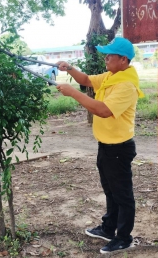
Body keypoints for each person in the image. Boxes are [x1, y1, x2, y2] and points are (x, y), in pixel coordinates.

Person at [56, 37, 144, 254]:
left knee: (122, 194)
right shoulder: (111, 76)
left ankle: (124, 238)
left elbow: (103, 110)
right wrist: (70, 69)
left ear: (123, 60)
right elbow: (86, 79)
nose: (106, 58)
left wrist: (73, 93)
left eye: (110, 55)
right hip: (106, 145)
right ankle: (108, 228)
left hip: (118, 148)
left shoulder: (125, 84)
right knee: (110, 190)